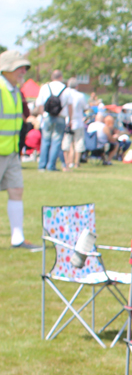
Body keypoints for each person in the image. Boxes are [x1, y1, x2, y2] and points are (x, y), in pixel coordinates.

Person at [1, 50, 37, 249]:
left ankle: (18, 238)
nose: (23, 71)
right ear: (6, 68)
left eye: (24, 67)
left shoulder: (15, 90)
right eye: (19, 67)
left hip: (12, 151)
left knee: (16, 190)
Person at [35, 69, 68, 171]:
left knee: (45, 141)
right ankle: (51, 165)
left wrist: (43, 115)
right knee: (57, 141)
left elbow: (39, 104)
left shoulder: (45, 87)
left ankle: (42, 165)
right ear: (61, 77)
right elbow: (69, 105)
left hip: (47, 117)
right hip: (60, 117)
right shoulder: (65, 89)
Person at [61, 77, 87, 169]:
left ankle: (67, 162)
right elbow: (85, 107)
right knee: (78, 142)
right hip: (78, 121)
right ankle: (76, 163)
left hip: (66, 121)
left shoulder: (64, 93)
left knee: (67, 142)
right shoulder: (81, 96)